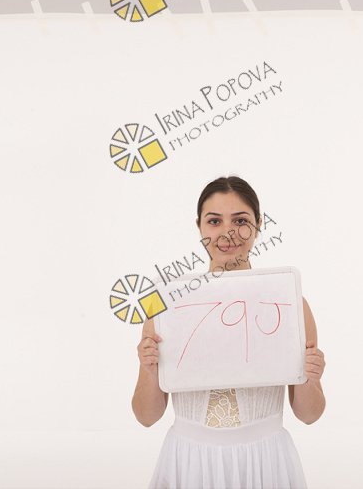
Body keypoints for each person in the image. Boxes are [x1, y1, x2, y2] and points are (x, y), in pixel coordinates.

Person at [132, 175, 326, 489]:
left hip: (264, 460)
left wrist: (311, 377)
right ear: (199, 226)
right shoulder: (167, 304)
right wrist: (149, 368)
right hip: (190, 460)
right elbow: (146, 416)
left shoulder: (289, 301)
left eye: (240, 220)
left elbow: (309, 414)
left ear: (258, 225)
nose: (228, 232)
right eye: (214, 221)